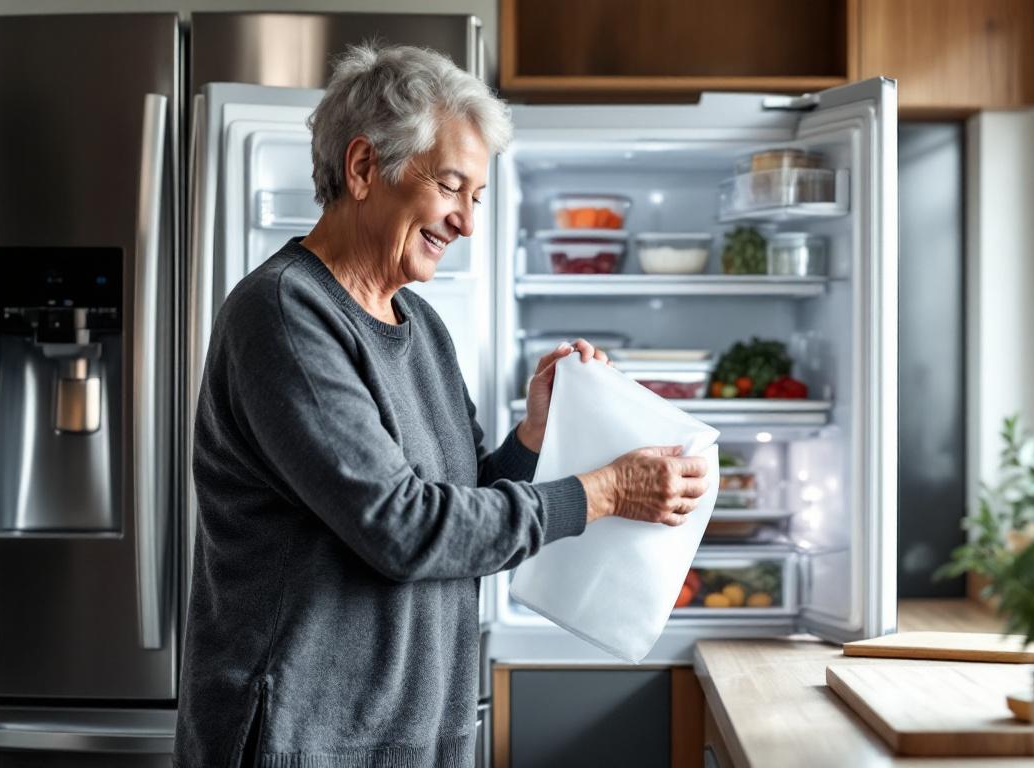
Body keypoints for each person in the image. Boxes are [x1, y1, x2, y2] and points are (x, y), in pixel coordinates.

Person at [173, 44, 709, 767]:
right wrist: (604, 493)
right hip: (303, 740)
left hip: (415, 732)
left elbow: (462, 506)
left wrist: (533, 435)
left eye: (476, 197)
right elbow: (402, 529)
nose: (466, 222)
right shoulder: (284, 316)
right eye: (452, 187)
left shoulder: (421, 326)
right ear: (364, 168)